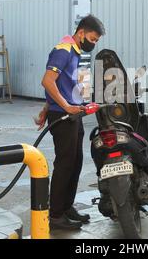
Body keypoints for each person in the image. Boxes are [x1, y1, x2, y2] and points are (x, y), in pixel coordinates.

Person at [35, 15, 106, 230]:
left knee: (75, 162)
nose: (92, 44)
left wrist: (46, 108)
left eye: (96, 41)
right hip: (65, 116)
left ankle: (66, 207)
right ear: (81, 32)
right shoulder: (64, 50)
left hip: (73, 114)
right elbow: (47, 81)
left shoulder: (75, 52)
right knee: (65, 163)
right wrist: (64, 107)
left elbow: (62, 84)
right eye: (92, 39)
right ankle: (55, 215)